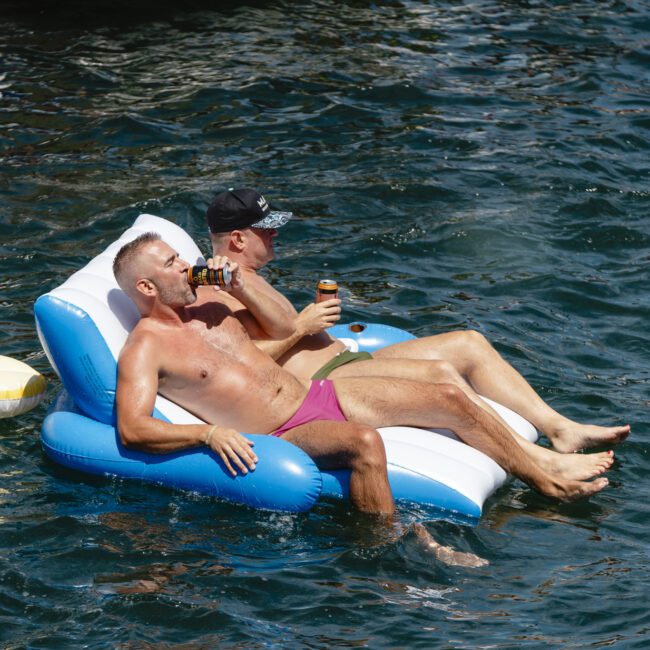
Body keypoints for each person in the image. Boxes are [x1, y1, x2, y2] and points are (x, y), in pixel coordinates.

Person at [113, 233, 611, 520]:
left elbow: (287, 325)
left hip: (318, 393)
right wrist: (208, 432)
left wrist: (241, 280)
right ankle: (380, 552)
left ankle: (541, 470)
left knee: (448, 398)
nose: (187, 265)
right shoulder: (145, 347)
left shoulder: (212, 300)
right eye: (173, 263)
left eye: (181, 258)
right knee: (365, 444)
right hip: (280, 430)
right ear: (146, 285)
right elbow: (133, 428)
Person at [205, 188, 630, 454]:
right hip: (323, 385)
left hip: (344, 359)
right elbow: (243, 368)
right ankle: (523, 451)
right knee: (440, 373)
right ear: (239, 238)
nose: (275, 235)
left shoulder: (247, 278)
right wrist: (302, 326)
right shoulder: (217, 291)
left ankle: (560, 427)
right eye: (267, 230)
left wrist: (309, 325)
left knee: (469, 341)